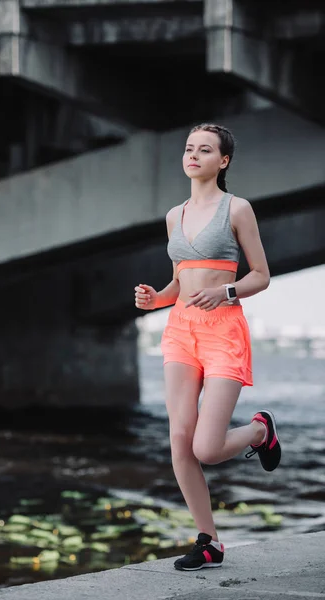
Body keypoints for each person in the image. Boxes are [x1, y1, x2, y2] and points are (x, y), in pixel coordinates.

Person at [134, 123, 281, 572]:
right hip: (181, 331)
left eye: (205, 149)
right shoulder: (173, 216)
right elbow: (179, 283)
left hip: (223, 331)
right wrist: (154, 299)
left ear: (224, 161)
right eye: (188, 148)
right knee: (180, 441)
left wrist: (227, 292)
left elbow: (261, 274)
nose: (193, 155)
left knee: (207, 447)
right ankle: (209, 541)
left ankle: (260, 431)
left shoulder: (237, 209)